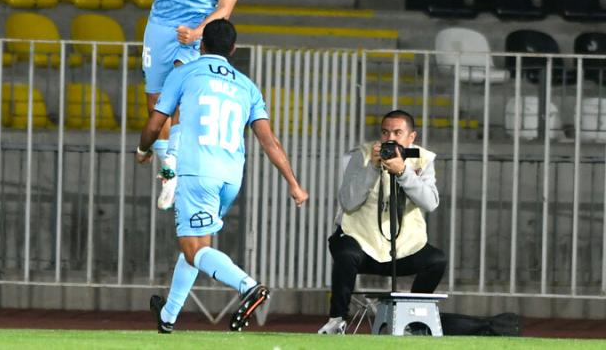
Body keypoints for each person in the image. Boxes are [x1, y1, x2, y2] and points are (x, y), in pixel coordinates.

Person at [135, 19, 309, 333]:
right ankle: (168, 317)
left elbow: (155, 121)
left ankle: (250, 287)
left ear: (201, 45)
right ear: (233, 49)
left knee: (194, 248)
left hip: (197, 172)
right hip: (230, 177)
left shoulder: (184, 73)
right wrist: (293, 183)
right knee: (197, 244)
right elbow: (270, 141)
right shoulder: (247, 86)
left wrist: (143, 149)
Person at [90, 0, 249, 211]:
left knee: (178, 94)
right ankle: (169, 170)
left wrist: (198, 32)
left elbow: (225, 9)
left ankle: (171, 168)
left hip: (193, 32)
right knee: (157, 105)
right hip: (160, 26)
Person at [318, 110, 447, 335]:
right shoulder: (363, 155)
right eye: (385, 132)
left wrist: (404, 172)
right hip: (361, 241)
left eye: (398, 133)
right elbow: (348, 202)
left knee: (436, 260)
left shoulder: (421, 158)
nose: (390, 139)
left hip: (401, 246)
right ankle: (336, 320)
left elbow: (430, 203)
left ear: (411, 137)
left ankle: (412, 321)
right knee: (345, 253)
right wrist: (373, 169)